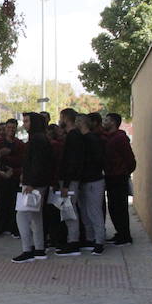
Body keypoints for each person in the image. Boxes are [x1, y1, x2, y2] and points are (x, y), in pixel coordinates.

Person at [12, 113, 54, 262]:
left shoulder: (36, 140)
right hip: (39, 183)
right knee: (36, 216)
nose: (24, 124)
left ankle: (27, 249)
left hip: (34, 184)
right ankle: (39, 249)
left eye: (27, 121)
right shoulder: (41, 138)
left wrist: (30, 183)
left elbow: (37, 164)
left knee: (22, 215)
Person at [102, 113, 136, 246]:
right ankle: (119, 233)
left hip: (119, 177)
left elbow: (130, 160)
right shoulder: (108, 137)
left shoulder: (120, 138)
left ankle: (125, 236)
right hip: (110, 176)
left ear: (114, 122)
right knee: (113, 207)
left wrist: (124, 172)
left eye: (106, 119)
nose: (104, 122)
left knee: (120, 207)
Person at [56, 108, 85, 255]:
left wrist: (66, 184)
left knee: (69, 209)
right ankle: (71, 240)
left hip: (70, 181)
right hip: (70, 179)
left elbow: (72, 162)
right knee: (68, 209)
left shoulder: (73, 136)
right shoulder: (73, 135)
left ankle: (73, 242)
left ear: (65, 118)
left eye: (61, 117)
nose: (59, 120)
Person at [78, 113, 107, 254]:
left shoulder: (92, 139)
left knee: (94, 211)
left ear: (81, 122)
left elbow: (98, 159)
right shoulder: (85, 139)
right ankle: (91, 239)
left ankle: (99, 241)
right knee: (85, 212)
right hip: (86, 180)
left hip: (93, 180)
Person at [0, 118, 24, 238]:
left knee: (14, 204)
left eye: (13, 128)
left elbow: (23, 160)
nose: (11, 130)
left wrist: (14, 170)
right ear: (5, 129)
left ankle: (14, 228)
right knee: (0, 203)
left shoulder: (20, 144)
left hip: (14, 177)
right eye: (9, 128)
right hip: (0, 177)